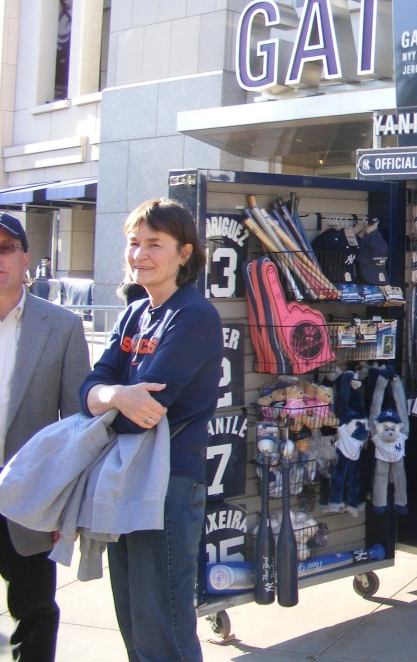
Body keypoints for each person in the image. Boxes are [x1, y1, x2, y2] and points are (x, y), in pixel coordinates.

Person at [80, 198, 222, 662]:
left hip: (168, 484)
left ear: (185, 253)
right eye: (134, 242)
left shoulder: (194, 315)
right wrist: (117, 395)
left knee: (163, 627)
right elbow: (91, 387)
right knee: (134, 621)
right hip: (125, 477)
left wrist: (110, 400)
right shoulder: (135, 312)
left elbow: (144, 412)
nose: (139, 253)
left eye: (154, 244)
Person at [0, 213, 90, 661]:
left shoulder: (63, 326)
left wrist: (65, 507)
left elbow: (78, 427)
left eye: (4, 247)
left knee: (34, 613)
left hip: (32, 502)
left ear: (25, 258)